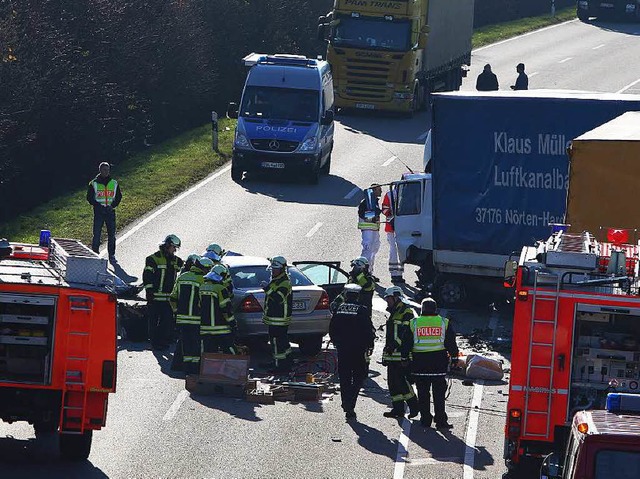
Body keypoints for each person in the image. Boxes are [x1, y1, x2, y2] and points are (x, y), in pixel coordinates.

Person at [404, 297, 459, 429]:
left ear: (422, 309)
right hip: (438, 363)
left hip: (419, 364)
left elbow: (406, 342)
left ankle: (425, 419)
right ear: (435, 309)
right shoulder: (443, 322)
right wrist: (455, 358)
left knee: (423, 393)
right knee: (439, 395)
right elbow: (450, 342)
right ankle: (440, 421)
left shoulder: (414, 323)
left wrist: (404, 358)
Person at [329, 283, 375, 421]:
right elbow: (368, 329)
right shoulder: (362, 310)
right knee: (358, 377)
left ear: (346, 295)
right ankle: (351, 404)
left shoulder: (340, 309)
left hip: (343, 349)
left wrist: (336, 341)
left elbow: (332, 328)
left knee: (344, 377)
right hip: (358, 349)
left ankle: (345, 403)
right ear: (358, 296)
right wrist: (370, 345)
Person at [170, 256, 213, 374]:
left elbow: (173, 298)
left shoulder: (182, 277)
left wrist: (176, 312)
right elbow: (204, 302)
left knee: (186, 345)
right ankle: (196, 370)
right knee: (197, 346)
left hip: (182, 320)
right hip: (197, 320)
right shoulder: (204, 281)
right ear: (204, 268)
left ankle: (186, 368)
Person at [382, 286, 419, 419]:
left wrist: (394, 345)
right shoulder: (395, 311)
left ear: (396, 297)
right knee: (392, 384)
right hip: (392, 354)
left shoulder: (406, 312)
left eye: (388, 299)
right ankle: (398, 409)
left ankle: (414, 406)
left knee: (402, 383)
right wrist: (386, 352)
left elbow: (405, 334)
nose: (387, 302)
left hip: (401, 354)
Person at [143, 235, 184, 350]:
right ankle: (155, 342)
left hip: (168, 299)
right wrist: (149, 291)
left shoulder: (176, 261)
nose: (175, 250)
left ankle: (163, 340)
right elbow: (147, 276)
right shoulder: (153, 259)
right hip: (155, 298)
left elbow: (183, 267)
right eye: (174, 248)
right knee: (153, 321)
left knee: (167, 321)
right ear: (168, 245)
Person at [87, 162, 122, 264]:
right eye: (104, 170)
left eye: (108, 170)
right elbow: (89, 198)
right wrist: (98, 206)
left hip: (110, 212)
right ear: (100, 170)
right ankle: (95, 253)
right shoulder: (93, 183)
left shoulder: (114, 183)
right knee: (97, 234)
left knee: (112, 235)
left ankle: (111, 255)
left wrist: (112, 205)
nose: (106, 172)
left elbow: (119, 196)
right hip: (99, 212)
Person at [262, 256, 293, 373]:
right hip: (274, 318)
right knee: (282, 342)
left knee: (276, 343)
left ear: (282, 269)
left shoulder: (284, 282)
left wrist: (267, 288)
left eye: (275, 269)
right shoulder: (276, 280)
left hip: (279, 319)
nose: (273, 271)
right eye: (272, 269)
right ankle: (286, 362)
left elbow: (278, 298)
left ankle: (279, 366)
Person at [200, 264, 238, 355]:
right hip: (221, 328)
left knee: (208, 354)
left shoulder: (201, 287)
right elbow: (226, 309)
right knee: (229, 350)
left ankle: (207, 369)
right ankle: (234, 368)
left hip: (205, 328)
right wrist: (232, 323)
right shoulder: (220, 289)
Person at [357, 183, 382, 277]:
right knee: (367, 250)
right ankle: (361, 272)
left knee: (374, 249)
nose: (381, 191)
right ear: (374, 190)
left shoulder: (373, 201)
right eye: (379, 190)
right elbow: (363, 214)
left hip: (374, 230)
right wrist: (375, 214)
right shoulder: (366, 202)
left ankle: (369, 272)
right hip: (368, 230)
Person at [381, 189, 404, 283]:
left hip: (398, 226)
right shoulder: (391, 194)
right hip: (393, 227)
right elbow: (385, 209)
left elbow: (385, 209)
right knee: (394, 250)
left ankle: (399, 274)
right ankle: (395, 274)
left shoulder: (389, 194)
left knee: (398, 250)